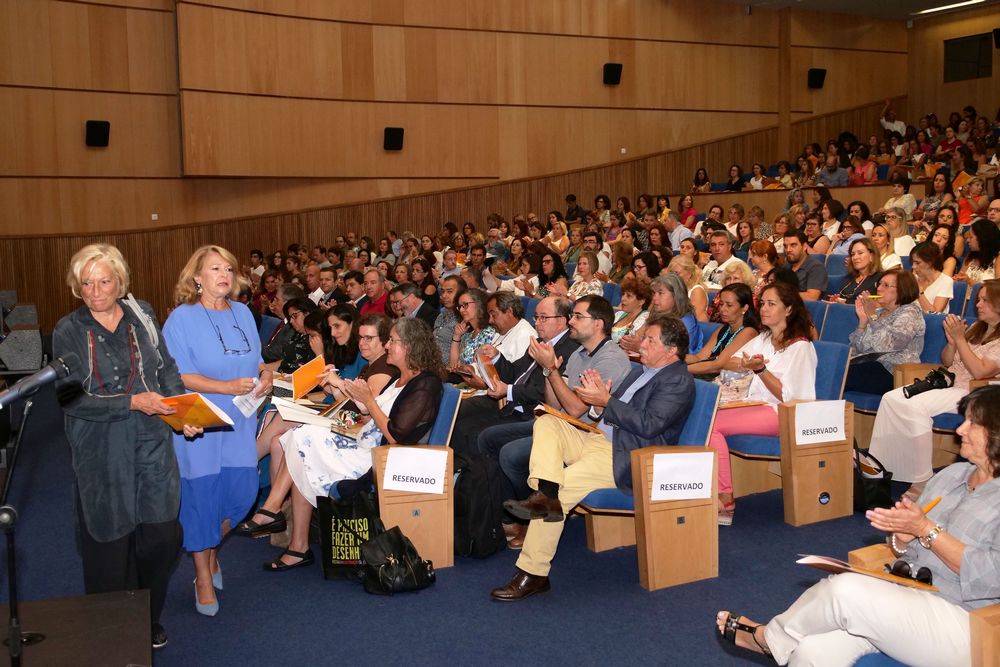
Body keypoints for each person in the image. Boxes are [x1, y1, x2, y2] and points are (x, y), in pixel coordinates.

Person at [716, 384, 1000, 667]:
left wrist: (926, 530)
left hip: (971, 623)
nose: (960, 429)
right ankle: (777, 640)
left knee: (845, 590)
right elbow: (910, 547)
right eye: (964, 420)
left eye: (973, 423)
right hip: (912, 595)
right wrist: (902, 538)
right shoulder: (951, 476)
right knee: (812, 650)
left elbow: (989, 577)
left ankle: (769, 638)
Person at [53, 244, 201, 648]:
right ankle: (113, 629)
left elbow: (166, 370)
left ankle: (145, 612)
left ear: (120, 281)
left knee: (162, 537)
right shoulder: (68, 329)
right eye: (86, 284)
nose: (96, 292)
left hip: (152, 441)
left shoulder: (143, 314)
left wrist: (182, 412)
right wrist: (133, 402)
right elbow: (70, 399)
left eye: (104, 281)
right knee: (110, 544)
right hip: (101, 447)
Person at [490, 314, 694, 600]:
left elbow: (649, 425)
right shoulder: (640, 371)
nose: (642, 344)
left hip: (628, 455)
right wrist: (598, 404)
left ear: (671, 350)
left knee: (563, 490)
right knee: (547, 421)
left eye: (650, 340)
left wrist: (605, 401)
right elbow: (606, 413)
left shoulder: (679, 381)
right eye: (645, 337)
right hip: (599, 439)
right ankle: (544, 492)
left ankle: (533, 573)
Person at [267, 318, 444, 570]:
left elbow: (396, 435)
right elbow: (370, 416)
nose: (388, 345)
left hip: (379, 458)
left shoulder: (426, 384)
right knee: (302, 438)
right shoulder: (400, 378)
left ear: (410, 345)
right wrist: (351, 395)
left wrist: (368, 401)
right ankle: (281, 521)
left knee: (303, 441)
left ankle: (285, 527)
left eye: (392, 341)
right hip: (365, 442)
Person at [162, 245, 273, 617]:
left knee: (241, 494)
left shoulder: (242, 312)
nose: (224, 275)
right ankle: (202, 576)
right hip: (200, 422)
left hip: (240, 421)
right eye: (214, 269)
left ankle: (209, 550)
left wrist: (266, 374)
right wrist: (225, 387)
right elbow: (177, 375)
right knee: (202, 500)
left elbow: (256, 360)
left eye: (228, 268)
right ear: (197, 277)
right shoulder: (181, 319)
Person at [869, 280, 1000, 497]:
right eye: (978, 299)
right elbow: (948, 361)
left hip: (973, 390)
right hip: (949, 383)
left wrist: (960, 339)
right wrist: (952, 343)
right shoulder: (977, 329)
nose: (978, 305)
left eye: (985, 300)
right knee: (891, 398)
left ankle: (922, 479)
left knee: (915, 408)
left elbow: (980, 372)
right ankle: (884, 470)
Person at [709, 281, 817, 525]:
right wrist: (745, 364)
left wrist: (761, 369)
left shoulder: (801, 347)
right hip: (754, 404)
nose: (764, 309)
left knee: (711, 423)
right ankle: (710, 491)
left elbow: (790, 398)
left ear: (788, 309)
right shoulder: (764, 338)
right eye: (763, 303)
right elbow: (731, 360)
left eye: (771, 304)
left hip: (782, 413)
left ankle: (725, 497)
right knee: (703, 415)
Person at [845, 269, 924, 395]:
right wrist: (862, 323)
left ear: (902, 289)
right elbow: (855, 350)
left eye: (886, 285)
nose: (879, 289)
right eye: (879, 284)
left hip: (895, 372)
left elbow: (890, 344)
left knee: (840, 374)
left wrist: (872, 316)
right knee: (835, 367)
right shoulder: (878, 312)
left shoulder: (910, 312)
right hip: (871, 366)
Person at [686, 283, 759, 378]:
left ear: (744, 308)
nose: (722, 309)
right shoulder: (723, 329)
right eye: (721, 304)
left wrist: (681, 370)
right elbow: (699, 357)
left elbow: (717, 365)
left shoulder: (748, 332)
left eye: (729, 305)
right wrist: (674, 358)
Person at [621, 274, 704, 355]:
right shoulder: (656, 315)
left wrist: (640, 348)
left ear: (676, 296)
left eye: (660, 293)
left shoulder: (686, 321)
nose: (654, 298)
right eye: (654, 293)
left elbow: (678, 356)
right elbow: (638, 337)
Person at [449, 288, 498, 368]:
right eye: (460, 307)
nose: (461, 310)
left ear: (479, 304)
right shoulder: (468, 335)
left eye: (465, 305)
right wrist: (456, 336)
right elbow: (453, 366)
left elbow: (486, 367)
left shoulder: (490, 332)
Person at [831, 238, 882, 304]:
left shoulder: (881, 279)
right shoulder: (848, 278)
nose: (855, 257)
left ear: (871, 256)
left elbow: (881, 304)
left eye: (860, 253)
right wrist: (836, 301)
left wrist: (846, 303)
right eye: (853, 254)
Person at [783, 229, 828, 301]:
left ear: (804, 246)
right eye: (785, 246)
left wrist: (782, 294)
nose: (788, 250)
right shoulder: (786, 265)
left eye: (793, 245)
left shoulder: (816, 267)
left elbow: (812, 297)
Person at [911, 242, 954, 314]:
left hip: (928, 320)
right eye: (912, 263)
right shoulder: (913, 278)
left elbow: (934, 313)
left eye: (917, 263)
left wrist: (918, 291)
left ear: (930, 262)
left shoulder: (945, 281)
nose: (913, 266)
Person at [955, 219, 1000, 284]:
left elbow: (997, 287)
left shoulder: (998, 258)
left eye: (971, 237)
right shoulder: (970, 256)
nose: (968, 240)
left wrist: (970, 281)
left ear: (982, 238)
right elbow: (960, 278)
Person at [433, 275, 465, 363]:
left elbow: (462, 359)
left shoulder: (463, 320)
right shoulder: (440, 316)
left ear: (461, 294)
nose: (444, 295)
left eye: (449, 292)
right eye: (443, 291)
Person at [669, 254, 709, 322]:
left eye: (677, 273)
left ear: (689, 273)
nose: (673, 277)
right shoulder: (672, 290)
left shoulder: (697, 291)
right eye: (671, 273)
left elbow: (695, 320)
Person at [611, 277, 651, 345]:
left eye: (628, 296)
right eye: (623, 294)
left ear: (641, 301)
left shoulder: (645, 319)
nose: (622, 299)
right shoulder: (618, 314)